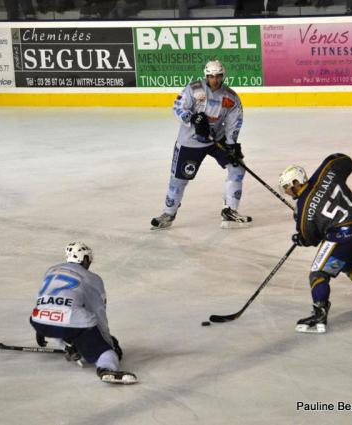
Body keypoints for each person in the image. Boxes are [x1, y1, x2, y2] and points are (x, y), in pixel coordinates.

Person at [279, 153, 352, 334]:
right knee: (348, 262)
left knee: (318, 273)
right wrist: (319, 180)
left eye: (287, 187)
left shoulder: (303, 211)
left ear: (296, 183)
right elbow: (343, 160)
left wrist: (299, 239)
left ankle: (319, 313)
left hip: (344, 235)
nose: (287, 192)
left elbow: (310, 239)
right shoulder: (325, 175)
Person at [151, 59, 251, 230]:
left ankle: (230, 211)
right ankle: (168, 213)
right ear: (206, 76)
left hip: (215, 140)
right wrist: (192, 118)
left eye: (218, 76)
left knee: (237, 167)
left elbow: (234, 121)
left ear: (223, 76)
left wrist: (231, 145)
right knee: (179, 179)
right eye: (211, 76)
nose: (215, 80)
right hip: (190, 142)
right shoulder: (194, 88)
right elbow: (177, 107)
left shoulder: (230, 97)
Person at [30, 242, 137, 384]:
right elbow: (98, 313)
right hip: (70, 322)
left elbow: (45, 299)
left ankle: (67, 345)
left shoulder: (51, 270)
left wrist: (41, 329)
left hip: (38, 319)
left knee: (64, 321)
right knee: (106, 350)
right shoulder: (93, 279)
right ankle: (106, 369)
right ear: (84, 259)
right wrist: (107, 344)